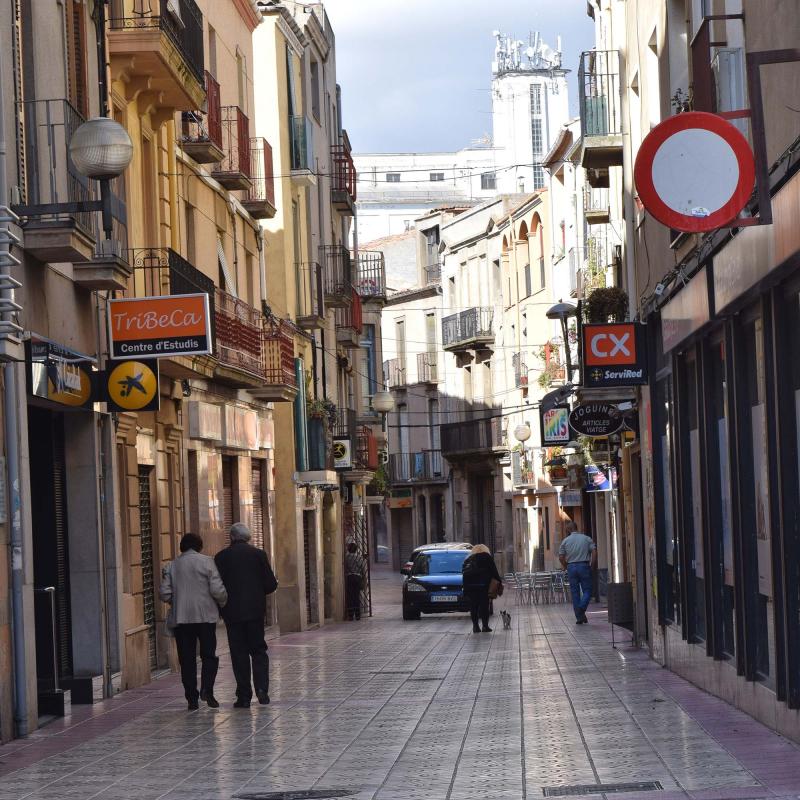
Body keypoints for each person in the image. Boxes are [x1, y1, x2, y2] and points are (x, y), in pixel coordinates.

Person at [159, 533, 227, 711]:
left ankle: (192, 698)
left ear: (182, 546)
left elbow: (164, 593)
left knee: (187, 659)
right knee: (209, 655)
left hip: (182, 619)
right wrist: (222, 602)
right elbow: (217, 589)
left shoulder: (172, 566)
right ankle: (207, 690)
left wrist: (177, 600)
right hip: (205, 617)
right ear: (199, 546)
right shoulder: (207, 562)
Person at [214, 523, 278, 708]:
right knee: (258, 651)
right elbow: (271, 585)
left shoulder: (221, 557)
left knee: (239, 654)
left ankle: (243, 696)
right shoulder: (258, 555)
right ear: (248, 537)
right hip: (255, 613)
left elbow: (217, 586)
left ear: (232, 537)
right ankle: (262, 689)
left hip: (232, 615)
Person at [558, 521, 597, 624]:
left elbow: (561, 557)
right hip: (584, 566)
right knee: (588, 590)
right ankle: (582, 607)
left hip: (571, 567)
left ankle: (579, 617)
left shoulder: (565, 541)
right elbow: (594, 551)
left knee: (575, 593)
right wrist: (592, 564)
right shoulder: (586, 538)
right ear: (576, 527)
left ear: (569, 530)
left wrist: (566, 566)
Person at [461, 543, 502, 633]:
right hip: (483, 586)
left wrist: (465, 589)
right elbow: (494, 571)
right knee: (484, 606)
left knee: (473, 607)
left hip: (471, 588)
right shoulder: (487, 557)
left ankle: (475, 627)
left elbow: (464, 575)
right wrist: (499, 582)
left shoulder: (468, 559)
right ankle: (485, 626)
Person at [344, 541, 366, 621]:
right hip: (357, 578)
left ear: (348, 549)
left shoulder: (346, 557)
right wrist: (364, 581)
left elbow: (344, 568)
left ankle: (350, 615)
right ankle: (357, 615)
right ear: (356, 549)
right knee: (356, 596)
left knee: (350, 597)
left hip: (349, 577)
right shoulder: (359, 558)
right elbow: (363, 570)